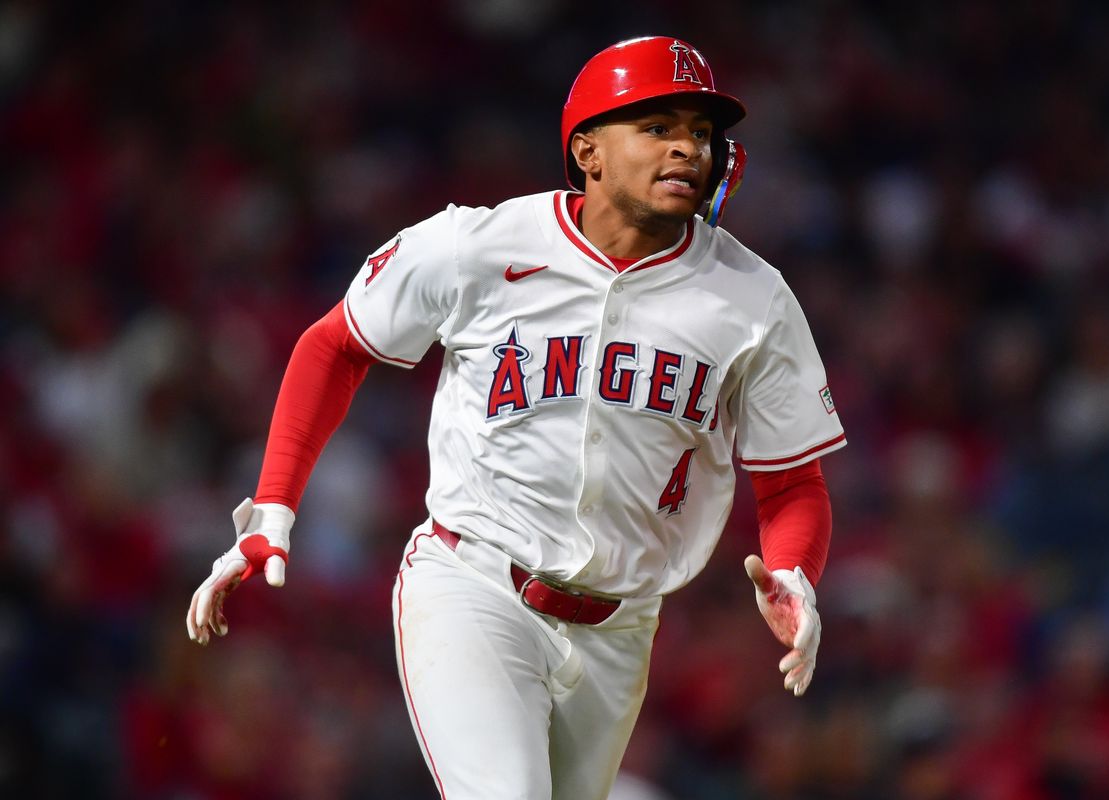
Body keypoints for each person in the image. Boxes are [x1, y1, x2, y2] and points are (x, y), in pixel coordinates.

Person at [187, 35, 846, 799]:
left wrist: (797, 569)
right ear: (589, 150)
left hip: (621, 627)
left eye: (699, 132)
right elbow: (335, 345)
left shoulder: (752, 297)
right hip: (475, 584)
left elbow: (793, 481)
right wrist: (273, 502)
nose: (687, 149)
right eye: (658, 127)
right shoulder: (479, 245)